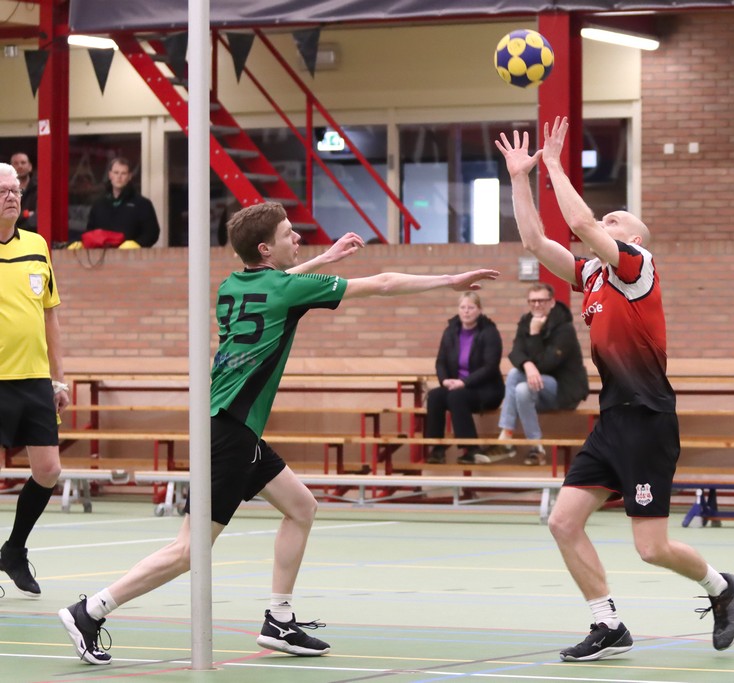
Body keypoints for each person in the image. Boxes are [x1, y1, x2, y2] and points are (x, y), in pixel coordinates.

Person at [57, 201, 499, 665]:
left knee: (301, 507)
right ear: (266, 249)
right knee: (190, 550)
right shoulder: (286, 290)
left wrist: (325, 259)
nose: (298, 239)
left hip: (230, 427)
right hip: (230, 432)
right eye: (289, 234)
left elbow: (278, 284)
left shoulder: (232, 285)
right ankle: (91, 611)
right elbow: (382, 283)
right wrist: (450, 280)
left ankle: (279, 620)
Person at [494, 118, 734, 661]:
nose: (604, 222)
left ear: (632, 239)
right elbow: (535, 241)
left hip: (649, 418)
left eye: (616, 220)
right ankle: (607, 624)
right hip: (612, 420)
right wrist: (519, 178)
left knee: (651, 548)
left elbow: (581, 222)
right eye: (606, 218)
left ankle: (721, 587)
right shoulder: (592, 277)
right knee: (563, 521)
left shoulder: (639, 268)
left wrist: (554, 164)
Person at [0, 162, 69, 597]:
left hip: (34, 380)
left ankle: (13, 550)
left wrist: (58, 380)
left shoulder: (38, 246)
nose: (12, 196)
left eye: (16, 190)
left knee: (48, 471)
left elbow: (50, 316)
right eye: (3, 190)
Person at [485, 281, 589, 466]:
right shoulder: (526, 322)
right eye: (532, 301)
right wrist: (527, 365)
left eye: (541, 300)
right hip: (535, 389)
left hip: (563, 391)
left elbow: (547, 364)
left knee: (521, 383)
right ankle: (529, 444)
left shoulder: (564, 329)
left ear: (552, 302)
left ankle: (511, 441)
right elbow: (515, 352)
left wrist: (534, 334)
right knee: (518, 382)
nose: (537, 305)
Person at [423, 291, 504, 465]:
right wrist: (444, 380)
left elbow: (490, 367)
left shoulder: (489, 332)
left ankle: (471, 449)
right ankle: (436, 448)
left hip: (486, 389)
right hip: (457, 386)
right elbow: (440, 361)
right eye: (463, 307)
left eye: (471, 307)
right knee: (435, 396)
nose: (466, 311)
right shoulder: (450, 331)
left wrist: (464, 382)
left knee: (456, 397)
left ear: (479, 310)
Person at [85, 157, 160, 247]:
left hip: (132, 254)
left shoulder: (142, 204)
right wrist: (81, 242)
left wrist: (137, 244)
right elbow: (90, 232)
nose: (119, 177)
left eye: (123, 173)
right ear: (110, 175)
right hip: (101, 254)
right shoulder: (99, 204)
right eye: (116, 173)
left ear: (129, 176)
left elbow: (152, 233)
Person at [10, 152, 37, 232]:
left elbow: (38, 217)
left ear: (30, 167)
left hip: (33, 233)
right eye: (16, 163)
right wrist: (26, 214)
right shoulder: (4, 190)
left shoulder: (39, 188)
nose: (20, 166)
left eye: (23, 163)